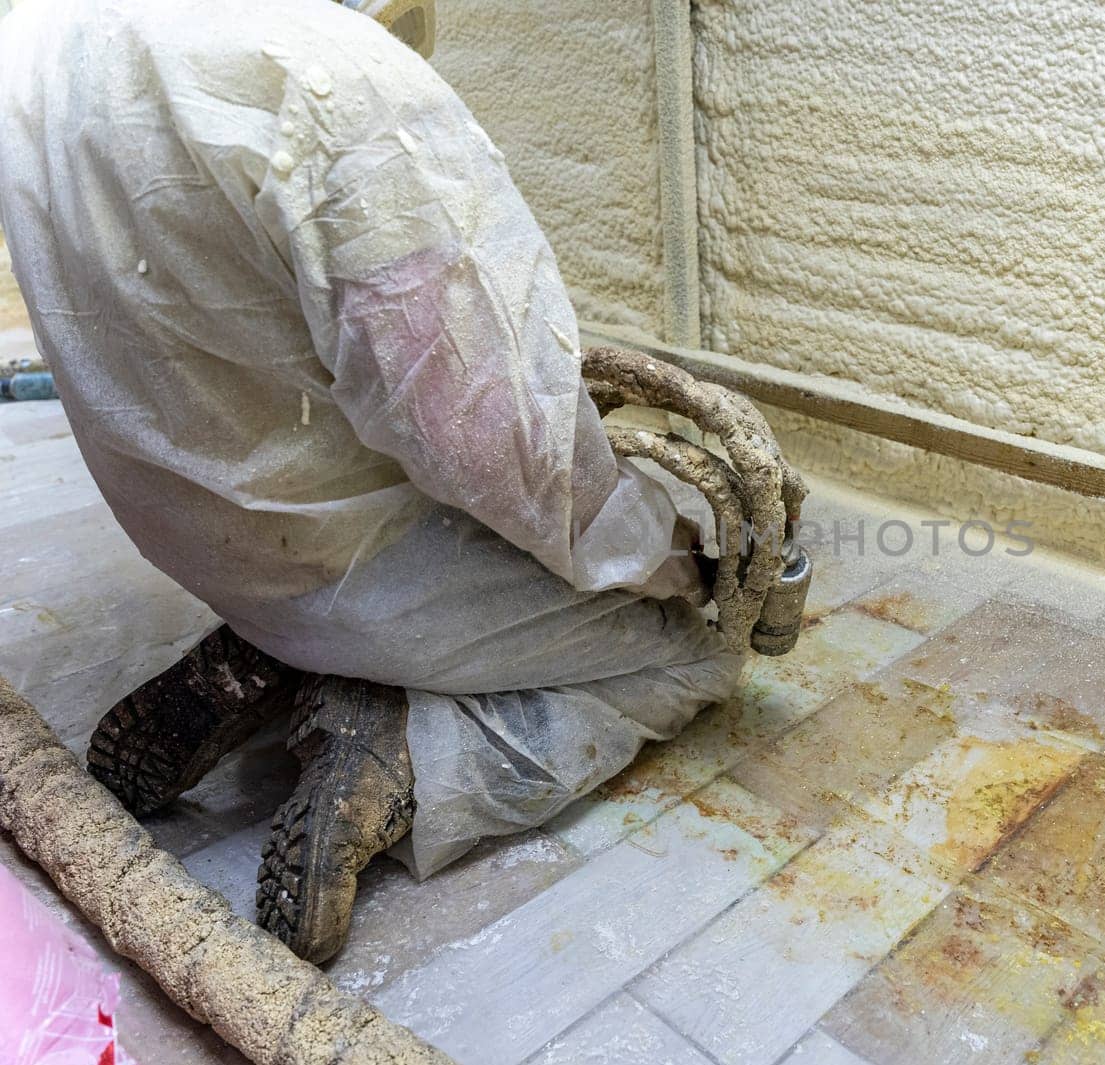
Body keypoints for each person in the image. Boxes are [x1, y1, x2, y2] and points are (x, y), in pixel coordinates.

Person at [0, 0, 742, 964]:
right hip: (364, 567)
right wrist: (675, 557)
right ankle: (406, 748)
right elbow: (498, 445)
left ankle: (277, 655)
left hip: (214, 536)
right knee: (696, 653)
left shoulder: (53, 44)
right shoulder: (332, 83)